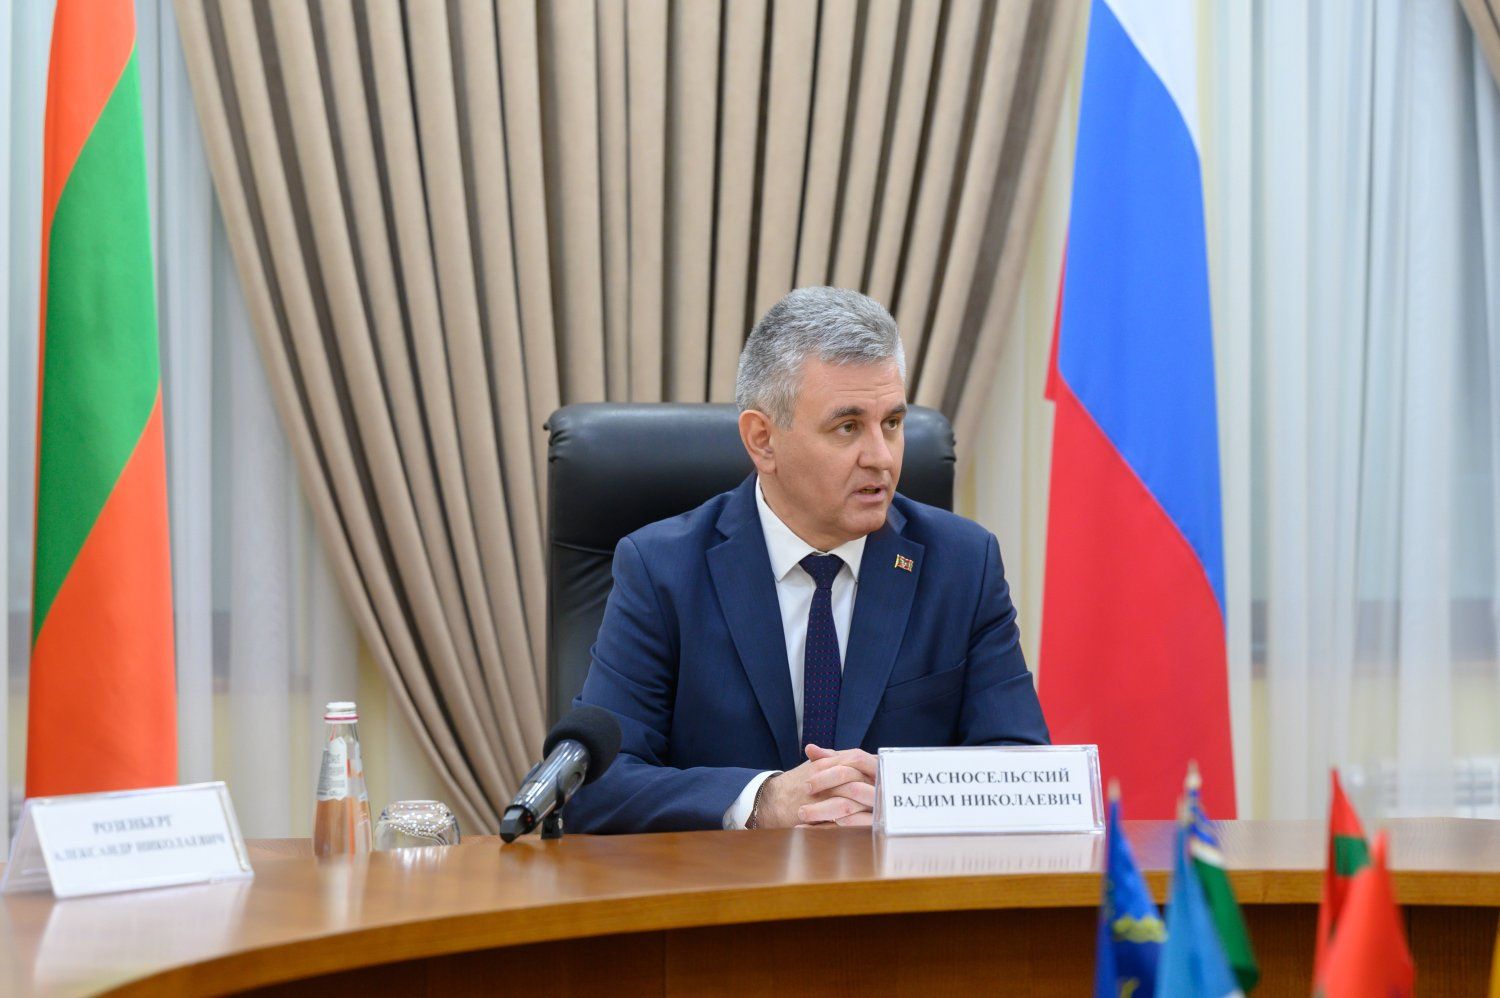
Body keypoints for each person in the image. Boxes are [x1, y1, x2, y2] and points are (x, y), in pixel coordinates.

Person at [568, 287, 1049, 833]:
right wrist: (760, 801)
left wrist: (905, 796)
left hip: (897, 884)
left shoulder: (962, 564)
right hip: (727, 884)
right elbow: (597, 785)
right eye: (848, 427)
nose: (881, 457)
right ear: (762, 440)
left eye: (892, 423)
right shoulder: (662, 570)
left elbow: (1023, 772)